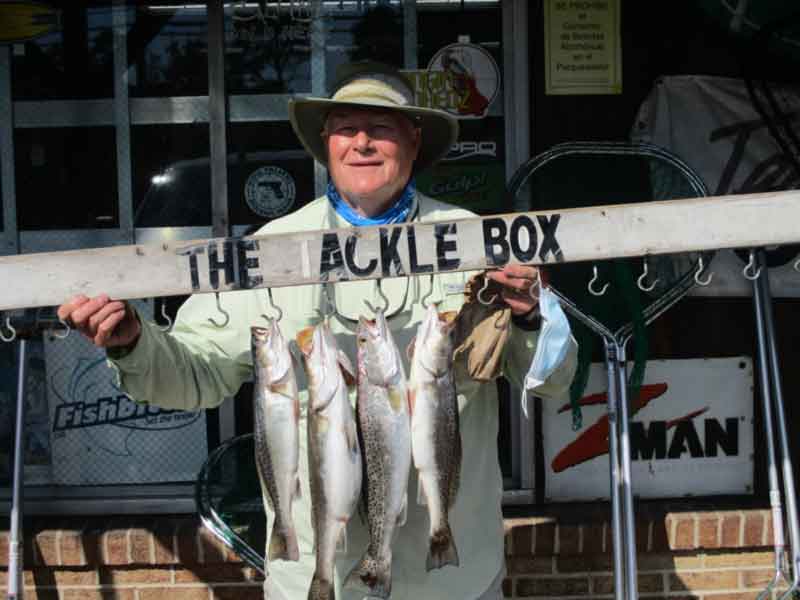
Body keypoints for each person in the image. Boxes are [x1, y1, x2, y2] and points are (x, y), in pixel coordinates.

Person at [57, 62, 578, 600]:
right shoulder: (268, 252)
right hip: (314, 578)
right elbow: (194, 375)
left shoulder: (476, 243)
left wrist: (530, 316)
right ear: (325, 143)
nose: (362, 143)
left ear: (414, 139)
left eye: (381, 128)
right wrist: (133, 343)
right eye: (345, 129)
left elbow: (554, 379)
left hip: (453, 578)